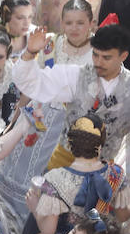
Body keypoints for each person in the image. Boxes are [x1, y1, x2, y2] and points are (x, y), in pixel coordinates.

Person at [17, 113, 130, 234]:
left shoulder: (55, 178)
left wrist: (35, 207)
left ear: (70, 144)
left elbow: (49, 229)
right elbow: (123, 216)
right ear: (102, 144)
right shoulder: (116, 174)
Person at [13, 23, 130, 174]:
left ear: (123, 56)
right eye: (95, 55)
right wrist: (30, 52)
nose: (99, 62)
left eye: (106, 57)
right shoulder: (77, 75)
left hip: (102, 170)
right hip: (64, 162)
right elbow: (34, 82)